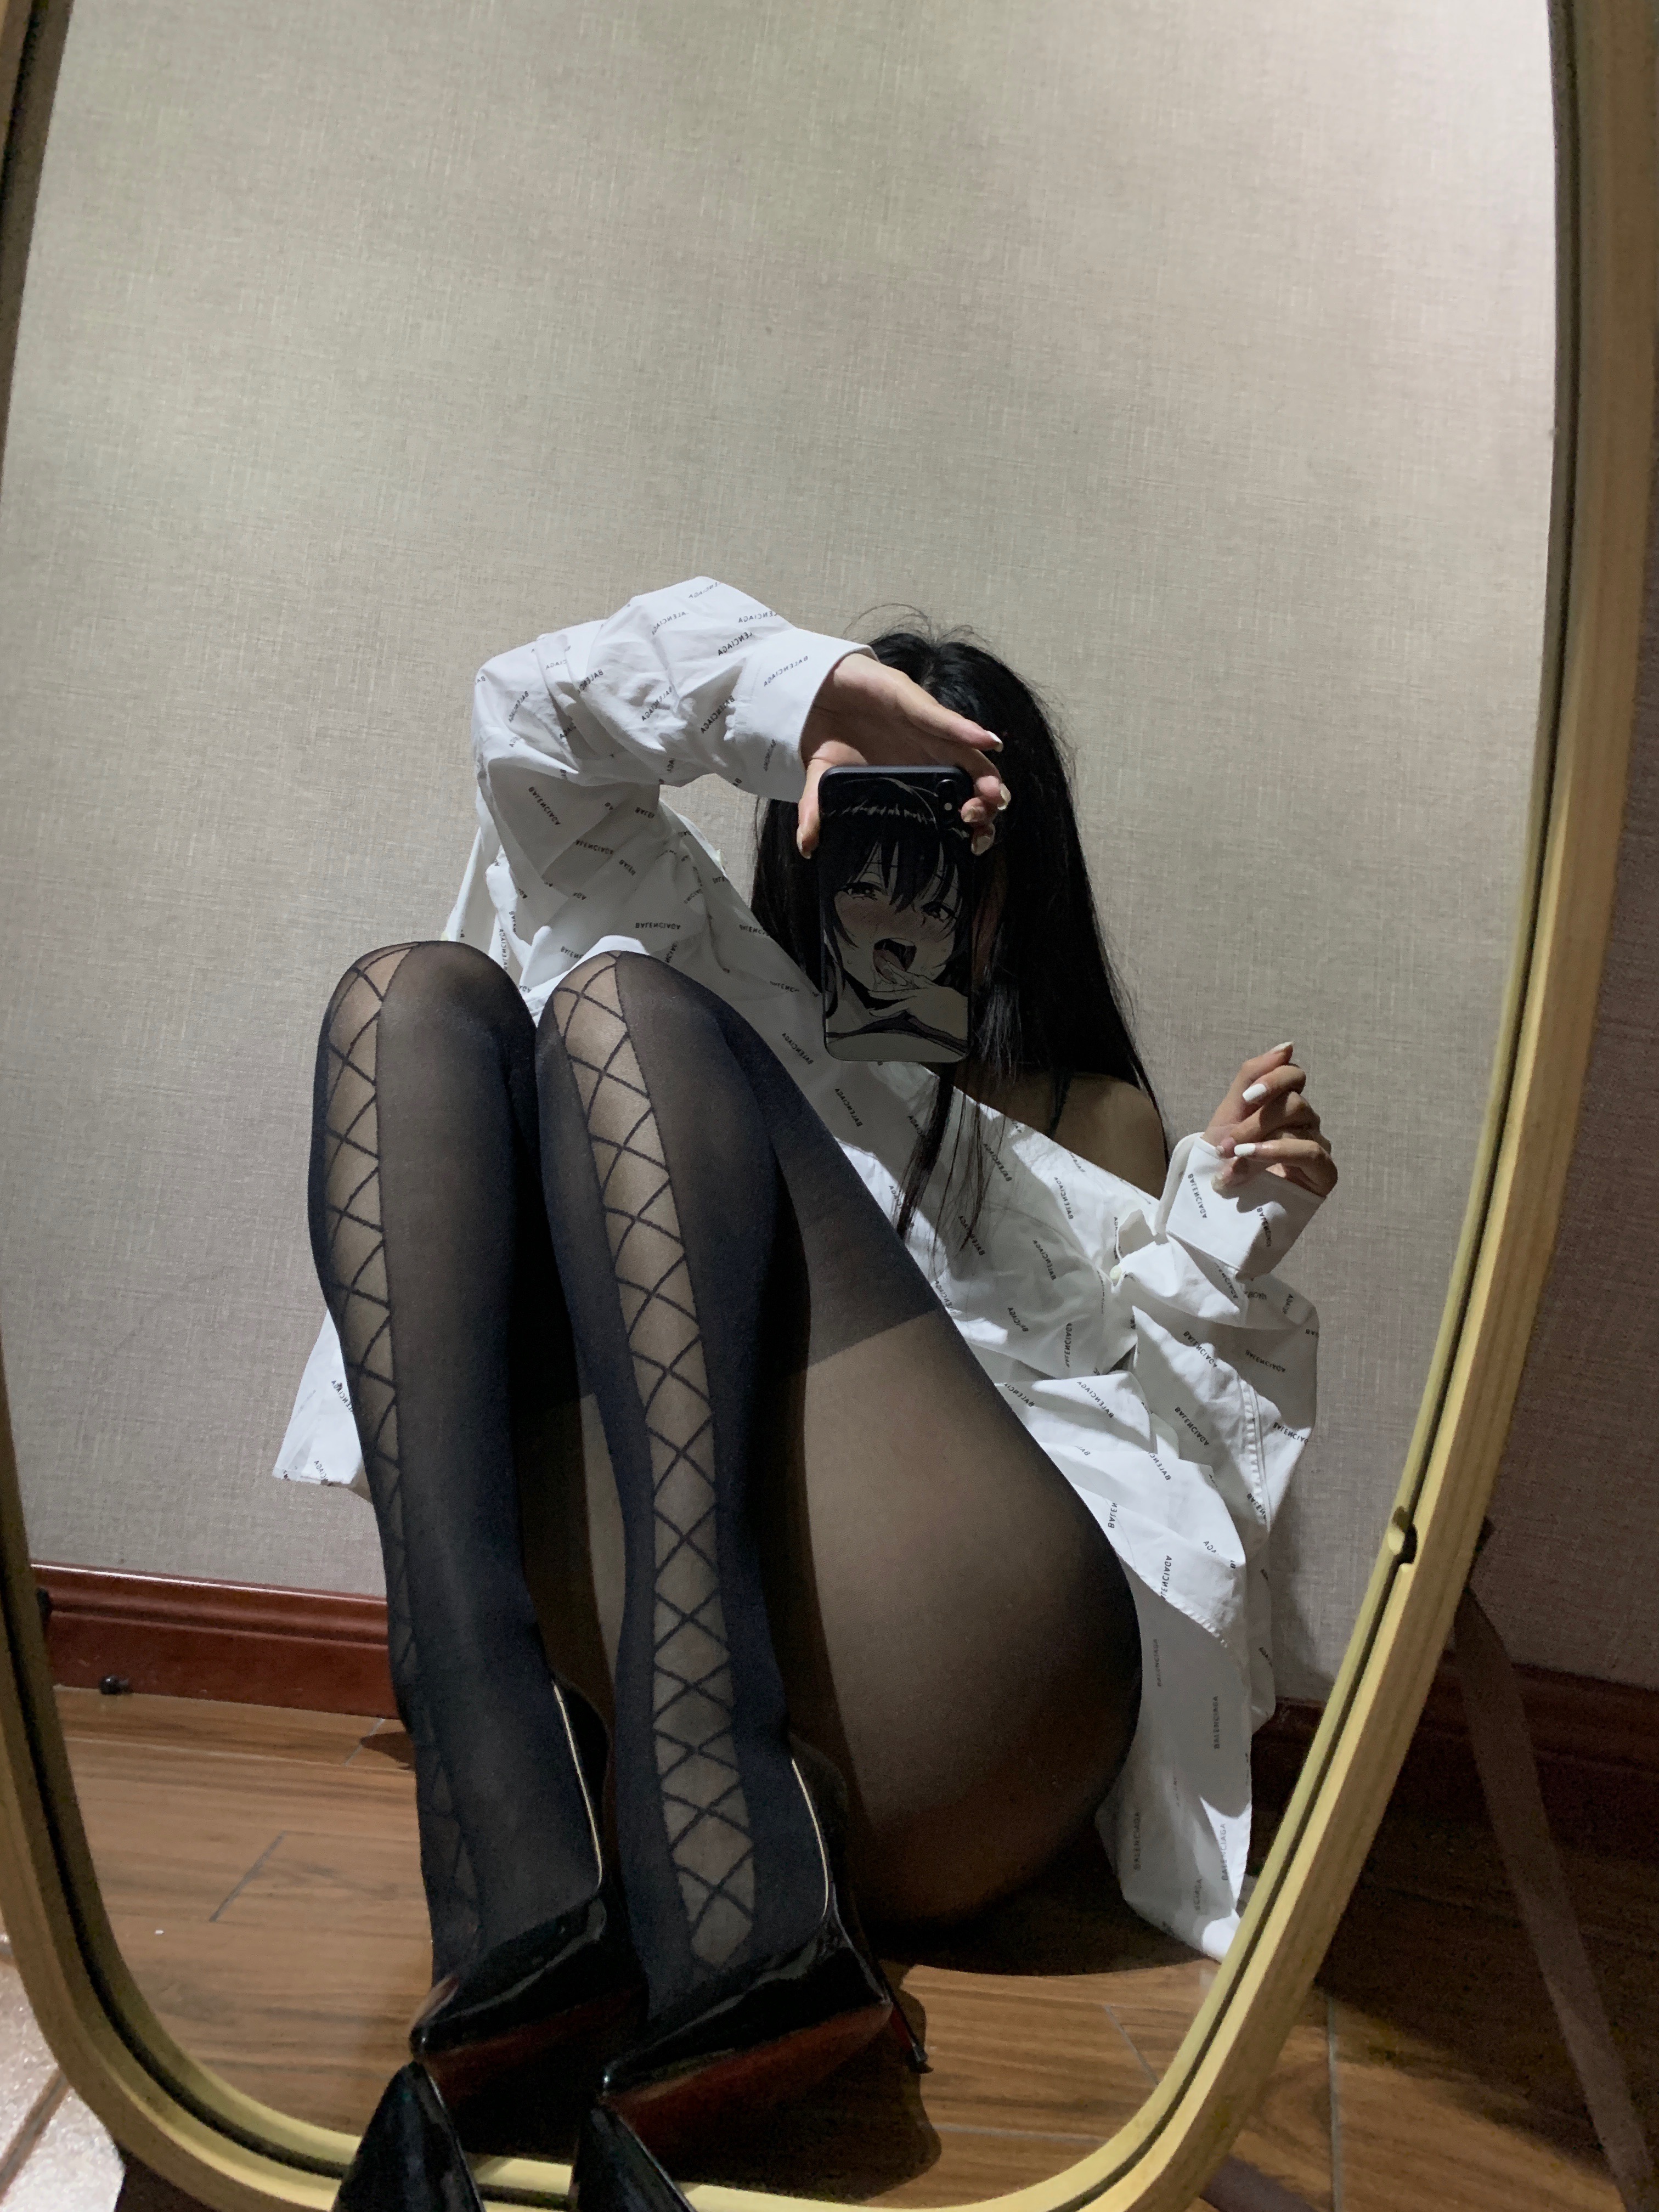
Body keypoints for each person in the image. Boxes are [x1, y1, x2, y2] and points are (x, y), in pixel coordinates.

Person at [276, 577, 1335, 2195]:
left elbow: (1167, 1449)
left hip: (964, 1681)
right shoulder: (720, 968)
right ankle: (531, 1885)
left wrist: (1220, 1240)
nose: (906, 882)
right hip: (698, 1680)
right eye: (872, 824)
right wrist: (797, 691)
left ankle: (658, 1865)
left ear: (1021, 870)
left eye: (958, 839)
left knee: (627, 1019)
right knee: (410, 1001)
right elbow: (525, 725)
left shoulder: (1078, 1111)